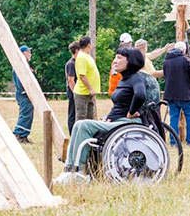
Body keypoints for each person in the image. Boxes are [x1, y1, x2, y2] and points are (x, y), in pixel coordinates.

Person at [54, 47, 146, 184]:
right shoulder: (123, 79)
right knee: (79, 124)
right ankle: (70, 168)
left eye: (119, 58)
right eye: (116, 57)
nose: (115, 61)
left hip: (128, 124)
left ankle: (77, 171)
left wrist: (131, 112)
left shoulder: (135, 78)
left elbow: (140, 95)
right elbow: (119, 106)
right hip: (117, 121)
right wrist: (108, 117)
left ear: (131, 61)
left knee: (84, 125)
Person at [162, 40, 190, 147]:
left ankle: (173, 142)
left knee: (174, 118)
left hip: (171, 94)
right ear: (183, 50)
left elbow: (165, 75)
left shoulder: (167, 60)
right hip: (186, 94)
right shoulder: (186, 60)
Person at [73, 36, 100, 122]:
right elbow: (82, 76)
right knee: (81, 119)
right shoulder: (81, 57)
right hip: (82, 93)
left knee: (90, 120)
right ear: (89, 45)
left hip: (88, 94)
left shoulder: (87, 56)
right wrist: (91, 88)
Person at [13, 45, 35, 144]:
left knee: (29, 113)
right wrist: (25, 91)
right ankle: (17, 134)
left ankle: (24, 135)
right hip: (23, 94)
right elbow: (20, 82)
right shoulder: (19, 66)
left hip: (27, 93)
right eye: (28, 52)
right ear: (22, 54)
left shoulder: (26, 65)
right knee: (25, 113)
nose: (30, 53)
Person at [65, 41, 80, 133]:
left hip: (76, 92)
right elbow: (71, 80)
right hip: (73, 92)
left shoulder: (77, 62)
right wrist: (75, 93)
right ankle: (72, 132)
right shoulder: (71, 64)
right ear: (77, 51)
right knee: (73, 114)